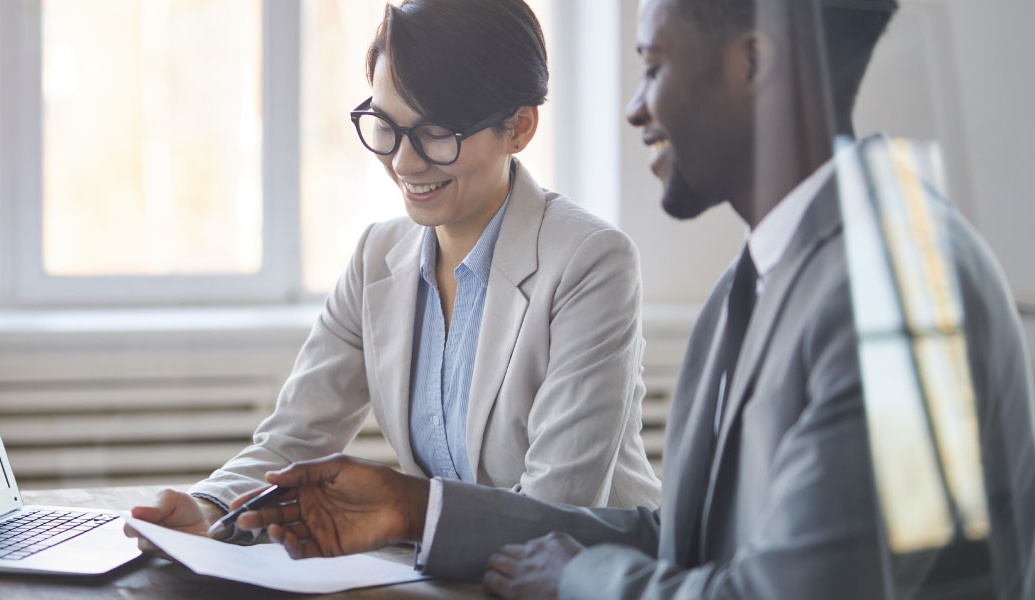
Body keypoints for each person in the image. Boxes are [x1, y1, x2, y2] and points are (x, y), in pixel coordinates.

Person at [235, 0, 1035, 598]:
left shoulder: (905, 295)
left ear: (753, 64)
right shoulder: (753, 284)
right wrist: (416, 509)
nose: (635, 107)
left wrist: (586, 580)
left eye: (655, 65)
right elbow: (685, 540)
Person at [128, 0, 661, 544]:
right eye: (385, 125)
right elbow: (296, 438)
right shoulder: (378, 255)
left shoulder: (591, 262)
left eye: (437, 132)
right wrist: (209, 506)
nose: (404, 163)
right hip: (453, 577)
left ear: (520, 127)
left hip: (589, 578)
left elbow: (554, 512)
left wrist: (409, 511)